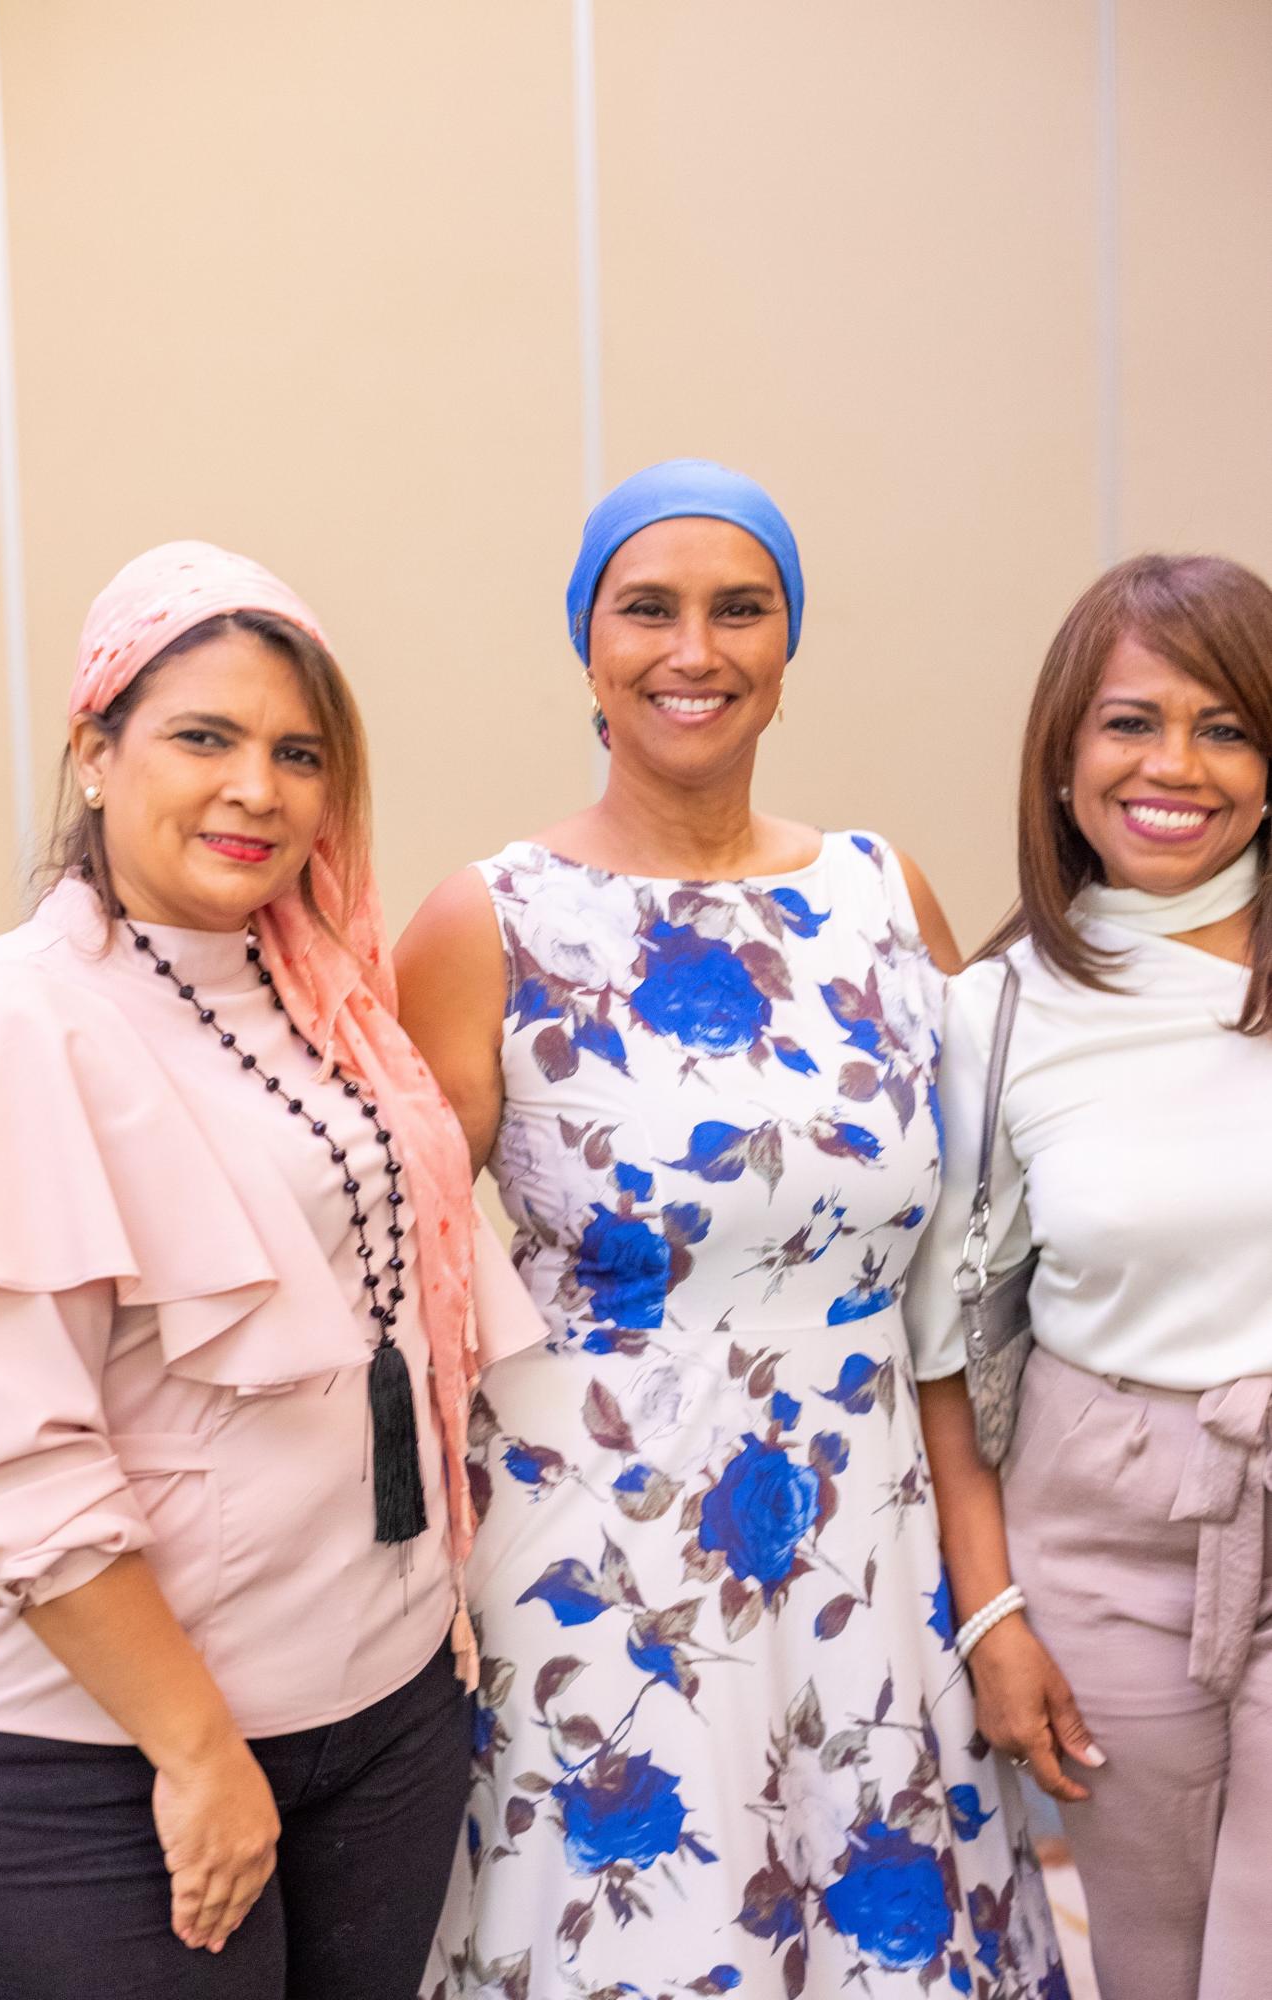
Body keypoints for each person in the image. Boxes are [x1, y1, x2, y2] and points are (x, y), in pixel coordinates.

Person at [397, 461, 1066, 1997]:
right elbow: (407, 1287)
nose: (691, 650)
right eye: (647, 609)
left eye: (736, 610)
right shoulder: (487, 919)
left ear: (785, 647)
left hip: (870, 1538)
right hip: (597, 1551)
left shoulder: (881, 893)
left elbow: (961, 1277)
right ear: (586, 647)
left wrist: (993, 1587)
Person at [0, 541, 541, 2000]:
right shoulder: (25, 1021)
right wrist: (198, 1752)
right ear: (96, 751)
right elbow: (9, 1462)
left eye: (297, 753)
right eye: (202, 738)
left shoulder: (323, 987)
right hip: (110, 1754)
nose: (255, 789)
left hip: (383, 1707)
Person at [904, 552, 1272, 2000]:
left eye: (1224, 725)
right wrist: (992, 1616)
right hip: (1104, 1526)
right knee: (1157, 1968)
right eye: (1129, 721)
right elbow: (942, 1343)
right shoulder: (989, 1016)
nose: (1171, 764)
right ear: (1062, 760)